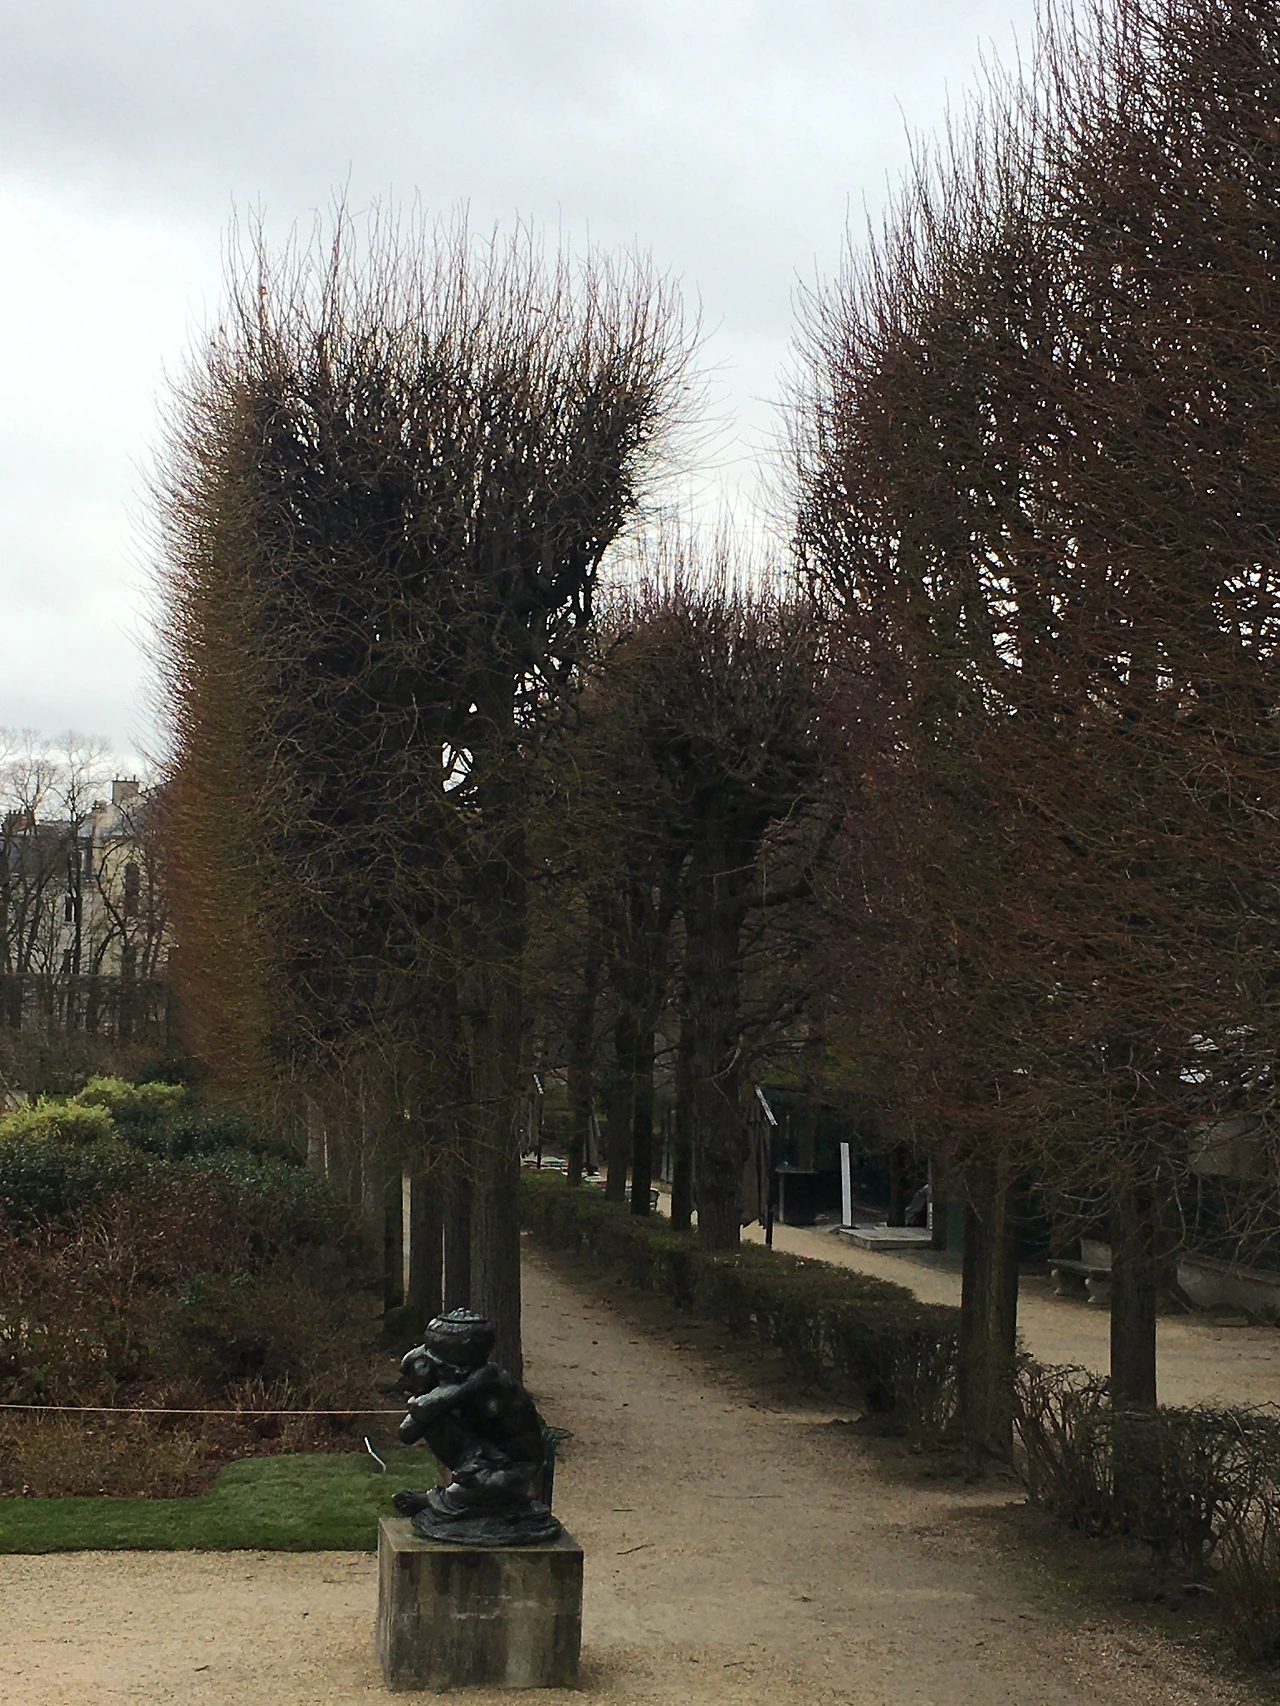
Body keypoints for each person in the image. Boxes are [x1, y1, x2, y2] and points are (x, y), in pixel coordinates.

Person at [392, 1308, 561, 1544]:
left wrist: (424, 1390)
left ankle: (439, 1499)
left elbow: (423, 1407)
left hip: (516, 1469)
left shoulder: (489, 1377)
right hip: (482, 1455)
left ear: (459, 1365)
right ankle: (454, 1496)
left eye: (439, 1366)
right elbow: (407, 1432)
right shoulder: (459, 1376)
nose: (437, 1372)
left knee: (489, 1485)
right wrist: (424, 1382)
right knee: (434, 1422)